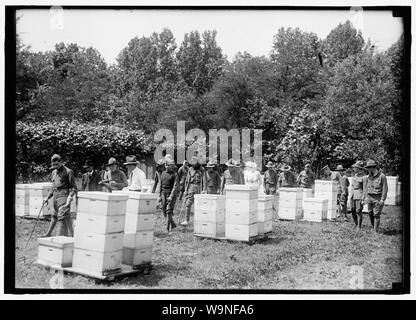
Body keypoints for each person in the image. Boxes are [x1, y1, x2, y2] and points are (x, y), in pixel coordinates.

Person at [42, 154, 77, 237]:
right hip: (55, 196)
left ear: (61, 162)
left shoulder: (68, 172)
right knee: (54, 215)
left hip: (64, 195)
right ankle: (49, 233)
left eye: (56, 164)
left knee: (61, 216)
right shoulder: (54, 172)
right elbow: (52, 186)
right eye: (53, 165)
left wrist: (69, 197)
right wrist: (47, 197)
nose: (55, 166)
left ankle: (59, 237)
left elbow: (74, 187)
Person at [180, 156, 206, 226]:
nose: (193, 164)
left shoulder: (202, 169)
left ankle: (200, 221)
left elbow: (204, 180)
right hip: (190, 189)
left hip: (199, 188)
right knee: (187, 205)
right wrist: (185, 190)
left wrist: (204, 190)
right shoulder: (190, 169)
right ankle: (186, 220)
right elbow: (187, 181)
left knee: (199, 206)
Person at [364, 160, 388, 233]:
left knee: (376, 214)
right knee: (370, 213)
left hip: (378, 197)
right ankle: (374, 226)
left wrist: (382, 199)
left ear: (372, 167)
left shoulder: (382, 176)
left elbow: (385, 188)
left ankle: (375, 231)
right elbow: (367, 187)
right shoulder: (369, 176)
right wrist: (366, 197)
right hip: (370, 197)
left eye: (368, 168)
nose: (367, 169)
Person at [159, 158, 179, 231]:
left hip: (171, 195)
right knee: (163, 210)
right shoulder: (163, 173)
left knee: (168, 210)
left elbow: (175, 186)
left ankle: (167, 229)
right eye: (166, 165)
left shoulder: (174, 174)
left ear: (171, 166)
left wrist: (171, 196)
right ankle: (173, 224)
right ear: (165, 165)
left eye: (169, 165)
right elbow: (160, 185)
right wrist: (159, 196)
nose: (167, 166)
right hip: (163, 194)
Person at [351, 161, 368, 230]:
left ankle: (359, 226)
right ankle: (356, 224)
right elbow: (352, 185)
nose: (354, 169)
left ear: (359, 168)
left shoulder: (364, 177)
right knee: (352, 210)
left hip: (359, 194)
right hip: (353, 194)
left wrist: (363, 198)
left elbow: (365, 188)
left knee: (358, 211)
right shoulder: (355, 175)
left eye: (355, 167)